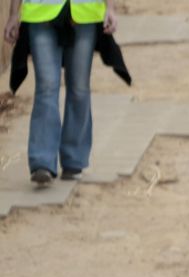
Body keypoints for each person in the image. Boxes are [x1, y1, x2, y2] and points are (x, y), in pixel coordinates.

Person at [7, 0, 112, 186]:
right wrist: (14, 15)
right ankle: (42, 162)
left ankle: (74, 160)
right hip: (41, 13)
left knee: (79, 88)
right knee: (46, 86)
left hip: (85, 13)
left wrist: (110, 8)